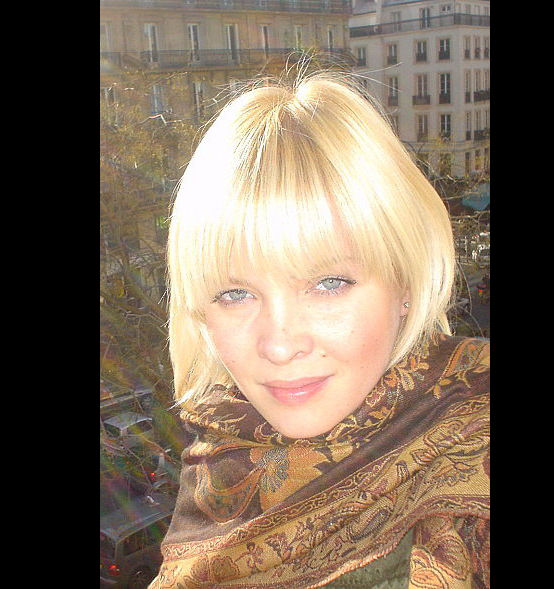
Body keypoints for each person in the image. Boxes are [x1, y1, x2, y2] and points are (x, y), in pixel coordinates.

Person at [149, 68, 489, 589]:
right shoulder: (217, 465)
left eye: (329, 283)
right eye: (235, 294)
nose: (280, 345)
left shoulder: (473, 445)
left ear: (404, 282)